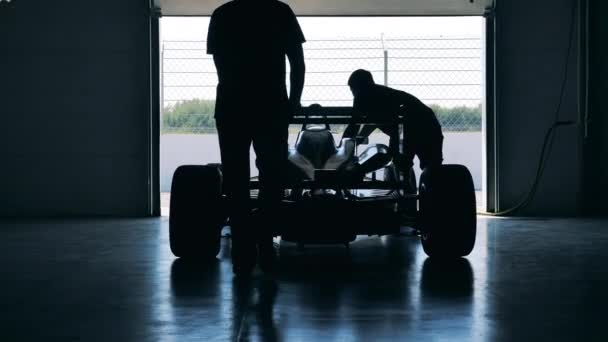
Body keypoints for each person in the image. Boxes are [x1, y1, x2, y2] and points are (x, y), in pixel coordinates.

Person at [207, 0, 306, 275]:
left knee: (236, 179)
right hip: (271, 105)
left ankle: (242, 250)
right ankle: (265, 242)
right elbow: (297, 62)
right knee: (272, 177)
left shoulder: (223, 14)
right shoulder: (279, 11)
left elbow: (220, 65)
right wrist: (293, 103)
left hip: (231, 106)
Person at [342, 69, 443, 172]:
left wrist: (343, 148)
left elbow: (353, 126)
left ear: (357, 87)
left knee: (401, 163)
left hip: (403, 131)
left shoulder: (361, 97)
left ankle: (404, 180)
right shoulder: (385, 93)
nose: (353, 94)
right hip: (429, 124)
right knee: (432, 169)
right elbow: (373, 122)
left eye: (352, 90)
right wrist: (359, 138)